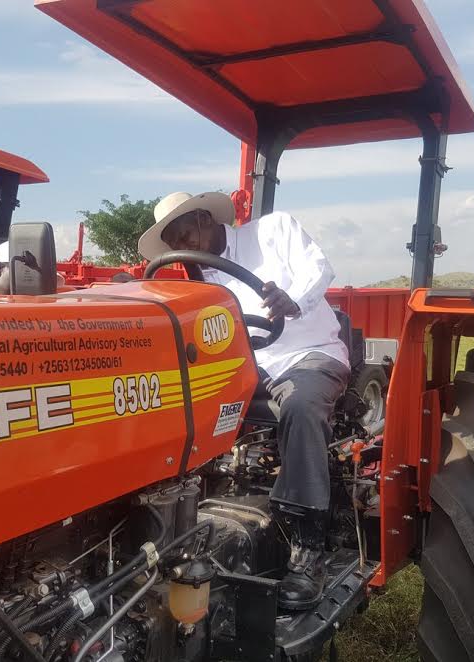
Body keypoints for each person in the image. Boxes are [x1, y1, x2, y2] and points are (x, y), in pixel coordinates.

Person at [138, 191, 349, 609]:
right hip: (246, 365)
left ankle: (308, 548)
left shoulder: (273, 231)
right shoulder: (198, 275)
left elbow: (318, 268)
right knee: (168, 403)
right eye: (175, 245)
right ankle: (167, 522)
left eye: (185, 236)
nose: (185, 252)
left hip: (307, 354)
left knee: (301, 406)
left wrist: (294, 301)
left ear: (203, 218)